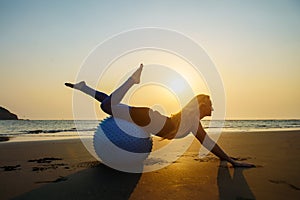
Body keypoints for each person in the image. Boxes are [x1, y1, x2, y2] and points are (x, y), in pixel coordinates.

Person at [65, 64, 255, 168]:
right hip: (150, 118)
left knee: (109, 104)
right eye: (210, 106)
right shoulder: (192, 122)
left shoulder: (189, 120)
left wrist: (226, 159)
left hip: (150, 118)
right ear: (201, 106)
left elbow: (208, 144)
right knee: (108, 105)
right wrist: (231, 161)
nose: (212, 110)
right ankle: (133, 80)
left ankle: (84, 88)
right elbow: (208, 143)